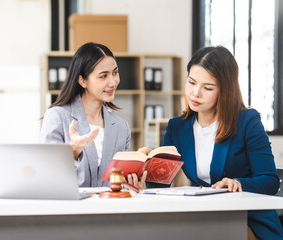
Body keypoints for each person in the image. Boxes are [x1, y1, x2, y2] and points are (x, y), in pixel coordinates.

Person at [140, 46, 283, 239]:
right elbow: (160, 187)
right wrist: (148, 168)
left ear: (225, 90)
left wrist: (237, 183)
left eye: (207, 87)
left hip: (246, 217)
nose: (195, 93)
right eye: (191, 82)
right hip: (204, 215)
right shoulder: (177, 127)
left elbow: (270, 181)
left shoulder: (247, 121)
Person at [40, 42, 147, 188]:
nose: (113, 82)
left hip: (109, 209)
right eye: (103, 76)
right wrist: (74, 151)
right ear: (82, 81)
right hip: (71, 209)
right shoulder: (57, 117)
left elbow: (116, 184)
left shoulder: (122, 127)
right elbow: (46, 173)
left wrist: (131, 185)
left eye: (115, 73)